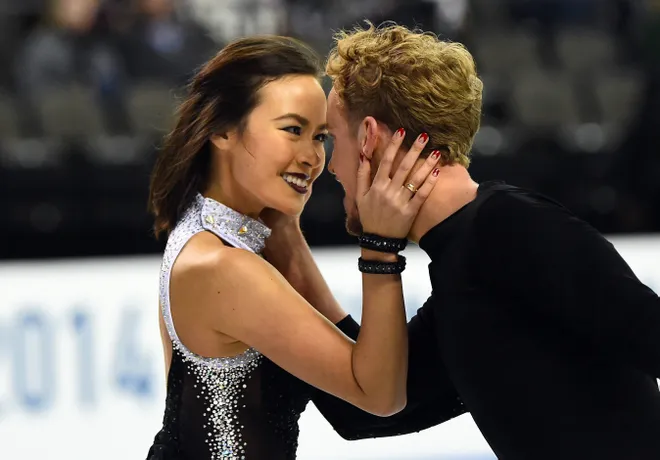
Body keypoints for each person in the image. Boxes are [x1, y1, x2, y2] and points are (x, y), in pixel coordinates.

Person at [262, 23, 660, 460]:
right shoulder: (463, 256)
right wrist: (290, 246)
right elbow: (367, 410)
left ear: (369, 138)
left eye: (330, 138)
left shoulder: (513, 227)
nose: (327, 165)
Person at [145, 35, 442, 460]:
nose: (312, 157)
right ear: (223, 130)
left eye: (320, 137)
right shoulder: (225, 269)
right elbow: (380, 398)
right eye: (292, 130)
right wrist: (380, 250)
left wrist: (287, 233)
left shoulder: (209, 231)